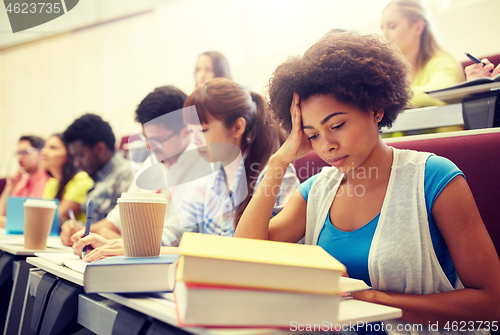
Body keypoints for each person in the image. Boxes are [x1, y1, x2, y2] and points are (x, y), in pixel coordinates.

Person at [234, 31, 500, 330]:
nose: (326, 145)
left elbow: (491, 305)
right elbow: (245, 257)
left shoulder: (433, 178)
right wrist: (278, 161)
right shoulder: (317, 191)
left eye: (337, 125)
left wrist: (367, 298)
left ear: (375, 108)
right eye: (312, 135)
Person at [72, 78, 299, 261]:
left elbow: (246, 254)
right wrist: (119, 245)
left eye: (203, 130)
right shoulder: (213, 179)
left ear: (237, 126)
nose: (196, 141)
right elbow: (172, 234)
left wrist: (134, 249)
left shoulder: (276, 176)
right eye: (192, 132)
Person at [86, 86, 207, 240]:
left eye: (157, 140)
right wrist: (82, 232)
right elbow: (118, 219)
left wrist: (119, 242)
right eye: (146, 138)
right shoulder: (152, 162)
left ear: (186, 131)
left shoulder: (204, 168)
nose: (150, 146)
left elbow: (176, 238)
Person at [59, 113, 134, 245]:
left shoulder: (127, 175)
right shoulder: (98, 177)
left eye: (80, 155)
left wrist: (81, 232)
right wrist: (73, 229)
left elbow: (125, 225)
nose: (77, 163)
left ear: (100, 148)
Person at [381, 0, 464, 108]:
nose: (384, 35)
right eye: (382, 28)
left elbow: (438, 94)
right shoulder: (391, 72)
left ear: (418, 28)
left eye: (392, 26)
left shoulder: (444, 62)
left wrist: (382, 97)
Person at [40, 134, 94, 224]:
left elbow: (54, 218)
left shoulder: (81, 180)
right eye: (44, 147)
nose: (44, 151)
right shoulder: (52, 182)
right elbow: (42, 216)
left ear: (69, 154)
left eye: (53, 148)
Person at [0, 135, 49, 228]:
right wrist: (10, 186)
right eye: (18, 153)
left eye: (25, 152)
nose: (20, 157)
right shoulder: (20, 180)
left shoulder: (50, 180)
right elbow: (1, 214)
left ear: (41, 153)